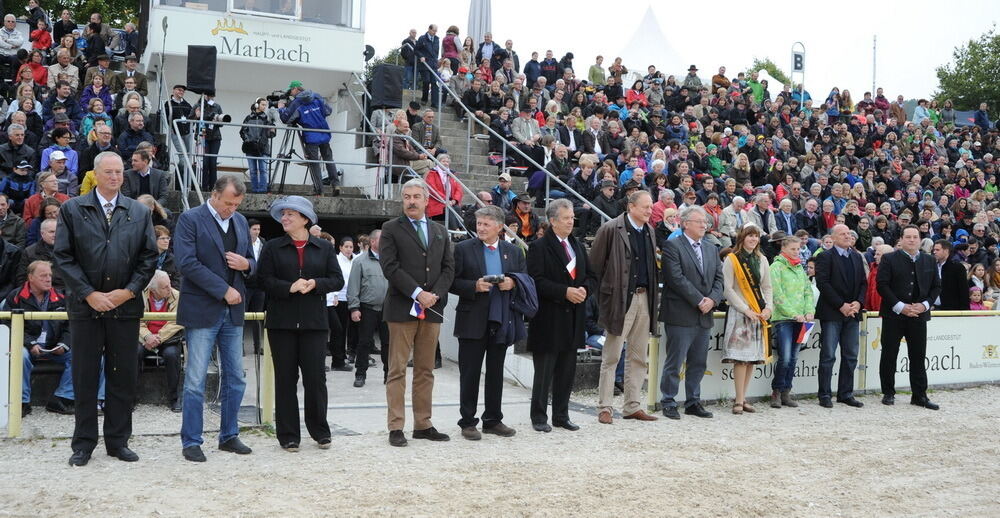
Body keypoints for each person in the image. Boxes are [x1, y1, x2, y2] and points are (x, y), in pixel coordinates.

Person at [53, 151, 158, 467]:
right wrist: (89, 293)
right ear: (95, 174)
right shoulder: (72, 209)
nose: (115, 177)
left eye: (119, 172)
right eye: (108, 172)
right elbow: (63, 256)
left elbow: (149, 258)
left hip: (125, 308)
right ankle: (83, 443)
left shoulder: (138, 212)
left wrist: (129, 291)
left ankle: (118, 441)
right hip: (86, 308)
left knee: (122, 375)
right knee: (84, 375)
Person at [173, 176, 255, 463]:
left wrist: (247, 265)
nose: (231, 209)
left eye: (236, 204)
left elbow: (251, 261)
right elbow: (186, 263)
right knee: (195, 379)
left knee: (236, 378)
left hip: (233, 312)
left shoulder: (241, 221)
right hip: (203, 309)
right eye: (228, 202)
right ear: (214, 194)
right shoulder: (190, 219)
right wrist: (223, 290)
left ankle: (229, 435)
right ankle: (192, 441)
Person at [258, 195, 344, 452]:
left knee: (315, 379)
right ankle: (288, 435)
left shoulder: (324, 248)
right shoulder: (272, 247)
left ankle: (320, 431)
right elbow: (262, 280)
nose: (284, 218)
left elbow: (336, 280)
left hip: (314, 323)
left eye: (290, 214)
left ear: (305, 219)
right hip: (281, 323)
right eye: (283, 214)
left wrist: (316, 284)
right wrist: (289, 287)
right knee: (285, 379)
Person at [379, 178, 455, 447]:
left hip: (432, 309)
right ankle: (396, 426)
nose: (411, 201)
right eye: (407, 197)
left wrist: (434, 295)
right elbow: (389, 266)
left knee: (425, 369)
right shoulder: (391, 229)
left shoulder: (439, 230)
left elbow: (449, 268)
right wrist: (417, 293)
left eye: (416, 197)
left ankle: (423, 424)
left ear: (426, 200)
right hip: (401, 308)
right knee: (397, 369)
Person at [450, 205, 527, 440]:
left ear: (499, 227)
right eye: (479, 223)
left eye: (485, 224)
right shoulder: (463, 249)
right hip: (472, 319)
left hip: (501, 319)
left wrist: (512, 284)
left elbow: (524, 278)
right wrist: (473, 286)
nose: (480, 228)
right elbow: (451, 281)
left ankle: (493, 419)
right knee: (470, 373)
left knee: (496, 372)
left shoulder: (513, 252)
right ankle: (468, 421)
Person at [590, 191, 660, 424]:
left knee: (639, 356)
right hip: (619, 299)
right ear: (631, 206)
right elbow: (595, 268)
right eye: (646, 207)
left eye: (651, 207)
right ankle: (605, 407)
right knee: (611, 356)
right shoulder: (611, 229)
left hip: (644, 298)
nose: (650, 210)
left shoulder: (649, 231)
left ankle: (632, 406)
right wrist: (605, 298)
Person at [526, 198, 594, 432]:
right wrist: (564, 292)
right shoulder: (539, 247)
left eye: (572, 217)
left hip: (574, 317)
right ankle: (539, 416)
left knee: (567, 370)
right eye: (566, 218)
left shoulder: (577, 245)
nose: (571, 221)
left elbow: (591, 276)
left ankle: (561, 415)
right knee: (544, 372)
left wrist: (585, 289)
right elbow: (536, 281)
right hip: (549, 317)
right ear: (552, 221)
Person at [659, 206, 724, 420]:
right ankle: (668, 401)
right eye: (699, 222)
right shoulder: (672, 246)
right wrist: (699, 300)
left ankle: (693, 402)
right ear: (685, 223)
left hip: (704, 314)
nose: (704, 225)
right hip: (680, 313)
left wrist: (712, 300)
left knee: (698, 362)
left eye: (705, 222)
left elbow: (718, 279)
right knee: (675, 361)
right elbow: (675, 278)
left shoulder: (711, 248)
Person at [877, 225, 942, 410]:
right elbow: (882, 285)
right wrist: (900, 307)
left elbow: (936, 287)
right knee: (889, 355)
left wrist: (925, 305)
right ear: (901, 239)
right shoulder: (889, 259)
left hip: (919, 316)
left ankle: (919, 395)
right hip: (893, 315)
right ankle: (888, 392)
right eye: (908, 237)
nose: (912, 240)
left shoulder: (930, 260)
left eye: (915, 237)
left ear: (920, 239)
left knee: (918, 356)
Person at [4, 260, 73, 418]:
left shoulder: (61, 297)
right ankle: (22, 402)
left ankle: (63, 398)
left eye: (50, 275)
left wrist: (64, 344)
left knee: (80, 355)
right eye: (43, 276)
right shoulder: (15, 297)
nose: (48, 279)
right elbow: (9, 325)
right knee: (20, 355)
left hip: (53, 346)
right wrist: (30, 343)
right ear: (31, 278)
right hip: (27, 345)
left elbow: (70, 326)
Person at [813, 224, 867, 409]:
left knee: (851, 355)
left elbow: (863, 283)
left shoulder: (857, 257)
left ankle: (845, 393)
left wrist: (858, 303)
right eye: (842, 233)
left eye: (849, 233)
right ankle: (825, 394)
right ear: (833, 238)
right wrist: (841, 305)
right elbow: (823, 283)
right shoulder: (824, 256)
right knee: (828, 355)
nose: (847, 236)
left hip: (852, 313)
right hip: (832, 313)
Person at [721, 224, 773, 414]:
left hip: (758, 313)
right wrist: (744, 309)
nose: (753, 239)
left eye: (756, 236)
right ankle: (738, 400)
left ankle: (743, 398)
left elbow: (767, 287)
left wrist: (768, 307)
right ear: (742, 238)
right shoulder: (732, 259)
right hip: (741, 313)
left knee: (752, 359)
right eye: (749, 236)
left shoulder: (762, 259)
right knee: (741, 360)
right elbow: (728, 289)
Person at [768, 231, 814, 408]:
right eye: (793, 248)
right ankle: (777, 391)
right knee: (785, 357)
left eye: (798, 248)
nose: (797, 251)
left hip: (802, 320)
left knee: (794, 357)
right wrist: (793, 313)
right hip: (784, 319)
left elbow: (807, 292)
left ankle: (787, 391)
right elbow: (777, 295)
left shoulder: (799, 269)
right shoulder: (776, 267)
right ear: (783, 248)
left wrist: (809, 310)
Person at [278, 81, 339, 196]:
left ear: (296, 89)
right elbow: (328, 111)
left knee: (314, 163)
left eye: (291, 90)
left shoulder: (296, 103)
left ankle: (319, 190)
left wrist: (281, 109)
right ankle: (336, 184)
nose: (290, 93)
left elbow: (286, 119)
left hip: (311, 137)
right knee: (329, 159)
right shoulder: (316, 96)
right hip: (324, 133)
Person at [137, 270, 184, 413]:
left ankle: (174, 398)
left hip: (168, 339)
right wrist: (147, 336)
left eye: (169, 284)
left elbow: (178, 321)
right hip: (145, 338)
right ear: (153, 290)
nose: (170, 289)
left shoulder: (177, 296)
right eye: (165, 287)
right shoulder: (141, 296)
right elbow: (136, 321)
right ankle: (131, 397)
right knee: (134, 353)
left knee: (171, 355)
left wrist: (158, 337)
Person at [348, 228, 389, 387]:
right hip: (367, 308)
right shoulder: (360, 261)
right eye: (382, 239)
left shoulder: (390, 260)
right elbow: (353, 287)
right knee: (364, 342)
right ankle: (360, 374)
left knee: (388, 343)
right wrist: (354, 308)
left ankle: (388, 375)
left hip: (387, 309)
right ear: (373, 242)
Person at [329, 235, 357, 371]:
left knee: (345, 329)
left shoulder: (354, 260)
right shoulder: (337, 260)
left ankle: (343, 356)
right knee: (338, 330)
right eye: (346, 246)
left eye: (351, 247)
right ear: (340, 247)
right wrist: (334, 295)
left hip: (350, 299)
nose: (349, 249)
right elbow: (334, 278)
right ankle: (337, 359)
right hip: (337, 299)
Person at [240, 97, 275, 194]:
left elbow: (271, 135)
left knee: (263, 169)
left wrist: (272, 128)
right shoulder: (248, 118)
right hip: (250, 148)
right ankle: (255, 190)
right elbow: (242, 131)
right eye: (263, 104)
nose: (264, 107)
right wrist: (248, 140)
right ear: (257, 105)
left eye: (265, 105)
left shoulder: (267, 119)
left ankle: (263, 190)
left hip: (263, 148)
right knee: (252, 170)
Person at [933, 239, 970, 310]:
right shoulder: (931, 266)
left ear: (946, 251)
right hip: (933, 308)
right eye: (934, 250)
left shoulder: (958, 267)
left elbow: (963, 291)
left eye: (937, 250)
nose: (934, 252)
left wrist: (965, 311)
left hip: (952, 310)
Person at [415, 25, 440, 106]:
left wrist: (436, 61)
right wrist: (421, 56)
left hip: (433, 65)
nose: (435, 32)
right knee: (426, 81)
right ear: (429, 29)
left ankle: (434, 103)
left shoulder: (437, 39)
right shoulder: (422, 38)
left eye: (436, 31)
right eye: (433, 30)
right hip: (424, 64)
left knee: (434, 83)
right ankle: (424, 99)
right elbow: (416, 50)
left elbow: (436, 52)